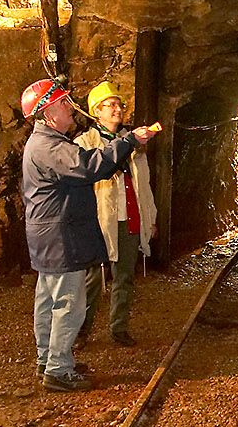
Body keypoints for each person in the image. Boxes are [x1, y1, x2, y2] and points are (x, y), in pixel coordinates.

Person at [19, 77, 158, 392]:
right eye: (63, 104)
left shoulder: (44, 142)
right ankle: (58, 369)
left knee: (47, 299)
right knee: (69, 302)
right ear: (48, 112)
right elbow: (89, 166)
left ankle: (48, 359)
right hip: (62, 235)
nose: (70, 108)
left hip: (48, 235)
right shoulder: (50, 146)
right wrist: (130, 141)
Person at [77, 81, 158, 347]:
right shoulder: (85, 143)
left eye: (119, 104)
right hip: (98, 221)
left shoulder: (136, 140)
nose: (117, 109)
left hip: (130, 217)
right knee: (91, 280)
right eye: (110, 105)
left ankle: (119, 327)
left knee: (124, 277)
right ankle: (81, 332)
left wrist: (151, 218)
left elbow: (144, 184)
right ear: (96, 111)